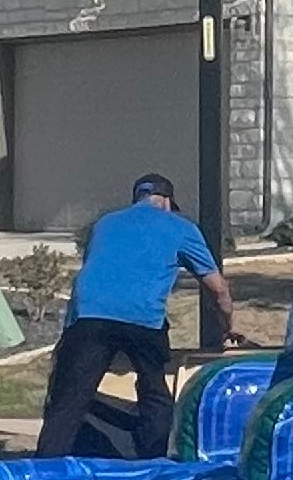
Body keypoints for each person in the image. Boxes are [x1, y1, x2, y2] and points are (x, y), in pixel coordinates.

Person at [35, 173, 229, 459]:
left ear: (137, 198)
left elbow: (96, 273)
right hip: (143, 318)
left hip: (88, 315)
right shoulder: (181, 227)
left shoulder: (105, 223)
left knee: (70, 398)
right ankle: (154, 459)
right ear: (165, 201)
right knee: (154, 390)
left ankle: (46, 467)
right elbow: (218, 289)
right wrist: (228, 327)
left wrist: (68, 336)